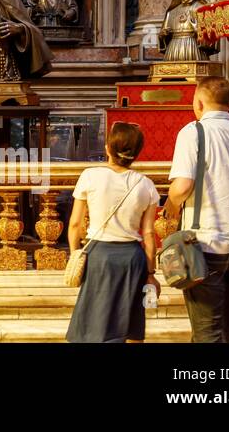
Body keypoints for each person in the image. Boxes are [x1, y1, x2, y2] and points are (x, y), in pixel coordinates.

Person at [163, 76, 229, 343]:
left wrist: (171, 205)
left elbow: (183, 186)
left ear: (198, 102)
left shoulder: (193, 132)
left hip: (206, 243)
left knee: (207, 332)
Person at [66, 122, 161, 343]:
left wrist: (75, 254)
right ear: (136, 153)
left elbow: (75, 224)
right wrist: (150, 272)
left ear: (107, 148)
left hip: (99, 254)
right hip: (132, 258)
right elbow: (148, 234)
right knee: (130, 321)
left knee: (92, 320)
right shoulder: (146, 185)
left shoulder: (90, 176)